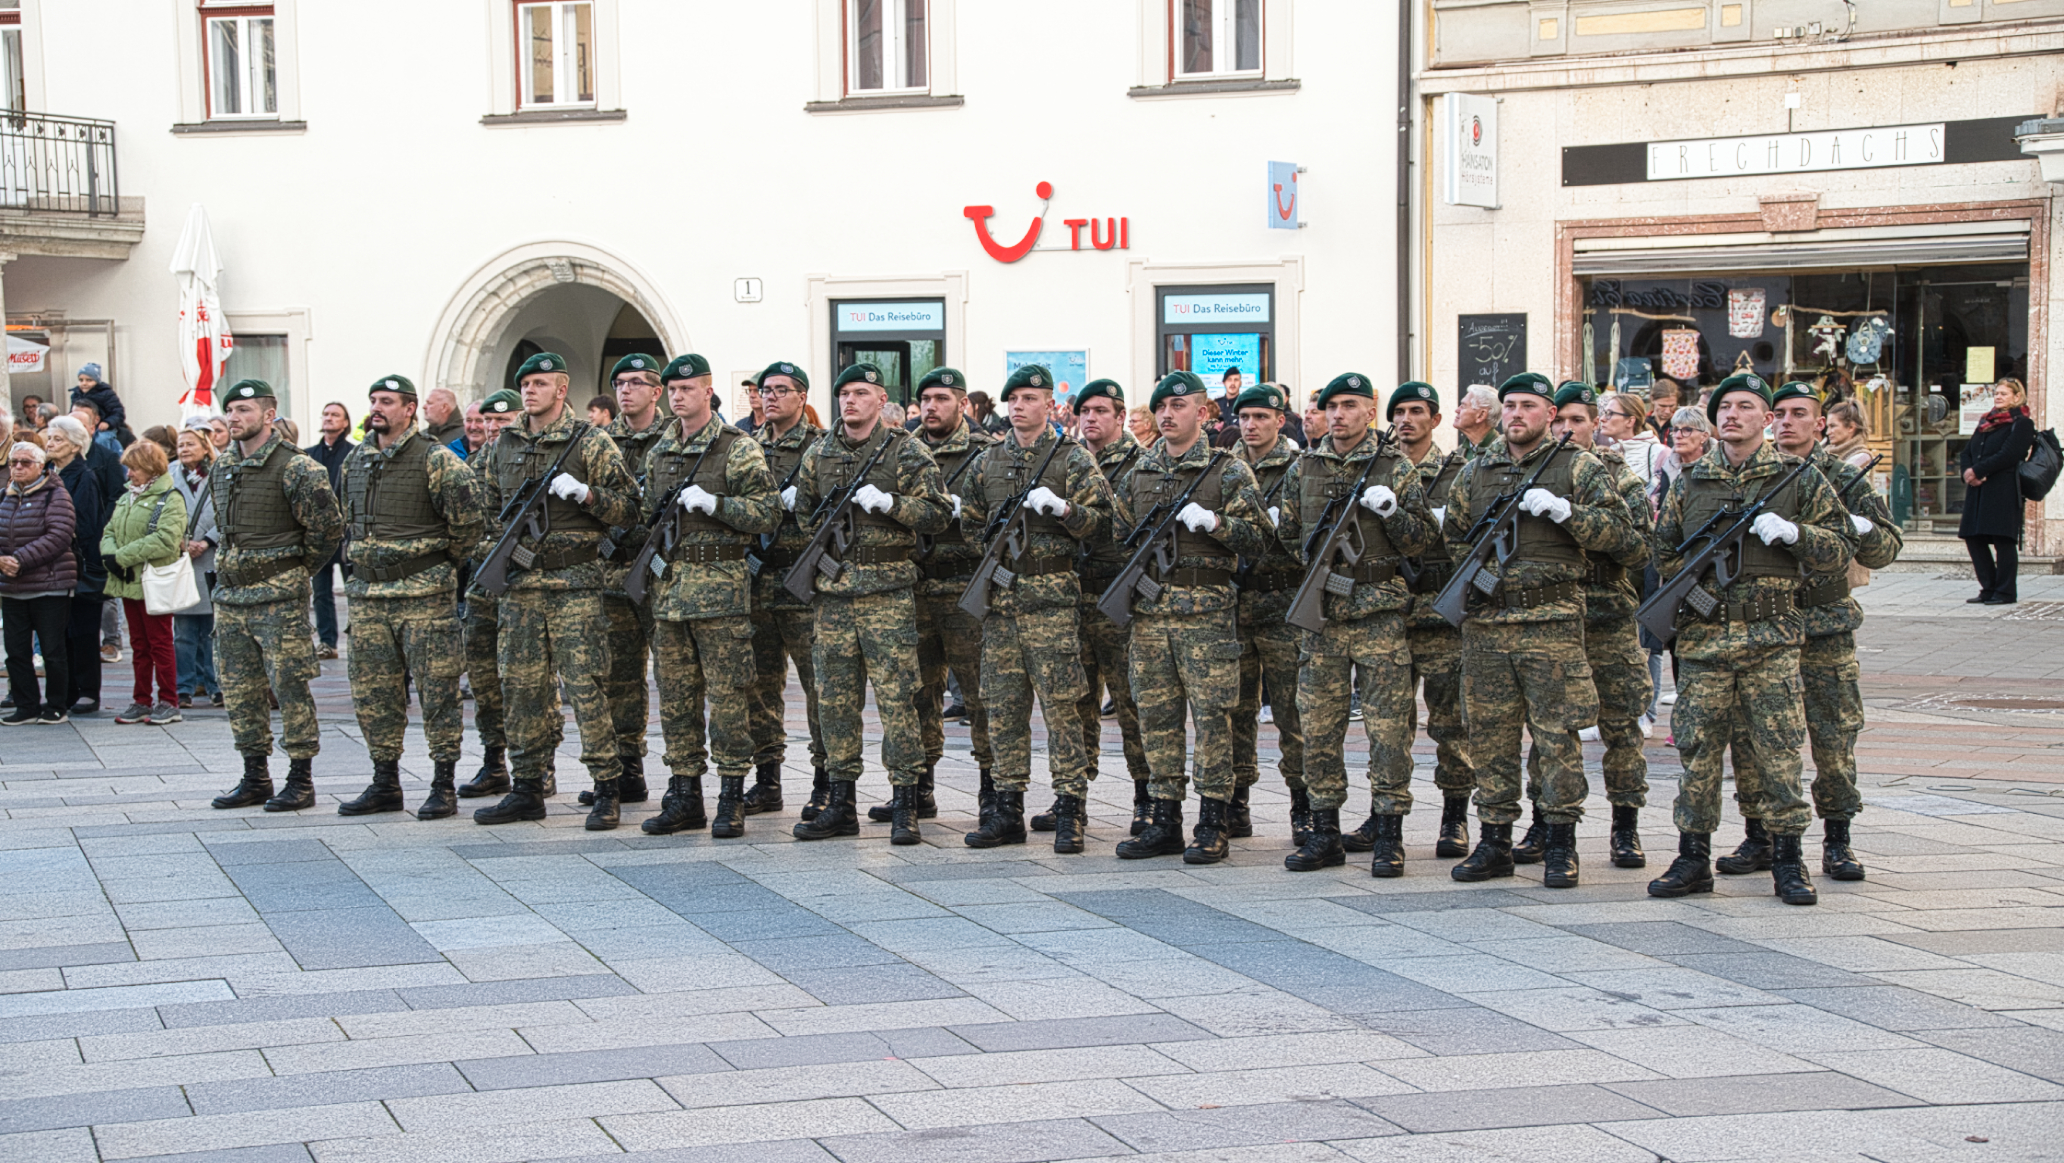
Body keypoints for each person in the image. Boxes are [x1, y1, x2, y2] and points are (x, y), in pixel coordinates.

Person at [1646, 373, 1854, 906]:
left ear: (1767, 418)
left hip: (1771, 640)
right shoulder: (1691, 481)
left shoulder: (1798, 478)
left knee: (1778, 752)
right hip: (1705, 643)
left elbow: (1840, 547)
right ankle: (1692, 856)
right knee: (1697, 751)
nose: (1732, 415)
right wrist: (1697, 590)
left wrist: (1797, 535)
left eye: (1745, 406)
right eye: (1724, 407)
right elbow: (1664, 553)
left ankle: (1788, 859)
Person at [1444, 373, 1641, 888]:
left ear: (1550, 415)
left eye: (1528, 406)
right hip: (1488, 625)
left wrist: (1568, 514)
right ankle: (1494, 840)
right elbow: (1454, 540)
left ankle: (1559, 842)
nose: (1516, 414)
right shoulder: (1476, 470)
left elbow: (1627, 539)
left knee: (1557, 738)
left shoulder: (1577, 467)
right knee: (1489, 737)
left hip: (1552, 624)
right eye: (1509, 405)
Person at [1718, 381, 1904, 884]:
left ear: (1819, 423)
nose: (1786, 422)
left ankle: (1838, 839)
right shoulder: (1753, 475)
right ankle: (1760, 834)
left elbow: (1887, 547)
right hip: (1764, 627)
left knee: (1833, 736)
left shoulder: (1841, 476)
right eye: (1778, 413)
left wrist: (1858, 527)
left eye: (1798, 413)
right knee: (1755, 737)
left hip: (1823, 627)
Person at [1276, 375, 1437, 874]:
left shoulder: (1394, 466)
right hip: (1322, 618)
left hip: (1378, 616)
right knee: (1318, 727)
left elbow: (1423, 540)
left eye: (1350, 405)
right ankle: (1324, 832)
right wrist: (1323, 567)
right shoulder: (1304, 467)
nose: (1339, 414)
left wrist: (1391, 512)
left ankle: (1388, 833)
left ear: (1371, 412)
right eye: (1332, 406)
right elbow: (1288, 536)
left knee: (1389, 730)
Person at [471, 353, 639, 828]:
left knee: (587, 687)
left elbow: (631, 508)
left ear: (561, 390)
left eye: (540, 383)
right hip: (520, 588)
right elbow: (487, 509)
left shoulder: (590, 441)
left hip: (575, 586)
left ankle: (607, 786)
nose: (529, 390)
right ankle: (527, 785)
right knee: (521, 688)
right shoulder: (502, 444)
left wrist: (588, 495)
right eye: (525, 383)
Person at [786, 362, 951, 842]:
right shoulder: (819, 452)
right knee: (835, 701)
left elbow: (939, 514)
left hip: (887, 595)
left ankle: (905, 802)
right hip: (834, 597)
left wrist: (892, 504)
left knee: (900, 700)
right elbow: (803, 514)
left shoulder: (905, 449)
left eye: (861, 393)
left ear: (881, 400)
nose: (851, 401)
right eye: (844, 394)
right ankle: (841, 804)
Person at [1108, 371, 1268, 863]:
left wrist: (1217, 523)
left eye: (1178, 406)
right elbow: (1119, 535)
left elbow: (1260, 538)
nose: (1167, 414)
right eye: (1160, 407)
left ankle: (1214, 820)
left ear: (1202, 412)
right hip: (1151, 614)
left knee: (1213, 718)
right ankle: (1164, 819)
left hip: (1206, 615)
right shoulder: (1139, 472)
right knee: (1156, 717)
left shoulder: (1228, 470)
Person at [961, 364, 1111, 852]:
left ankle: (1070, 807)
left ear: (1049, 404)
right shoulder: (987, 461)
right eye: (1013, 399)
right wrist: (995, 547)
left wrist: (1066, 511)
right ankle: (1006, 809)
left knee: (1063, 709)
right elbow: (970, 522)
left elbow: (1105, 525)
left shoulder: (1071, 459)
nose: (1019, 406)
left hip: (1052, 605)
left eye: (1029, 398)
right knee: (1003, 709)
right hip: (1001, 605)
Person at [1511, 382, 1655, 871]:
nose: (1567, 430)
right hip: (1550, 621)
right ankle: (1544, 820)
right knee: (1548, 728)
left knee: (1621, 725)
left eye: (1578, 421)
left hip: (1604, 617)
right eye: (1560, 421)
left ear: (1597, 424)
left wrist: (1572, 517)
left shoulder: (1618, 477)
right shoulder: (1529, 471)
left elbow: (1638, 547)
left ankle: (1625, 826)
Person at [636, 355, 779, 835]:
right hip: (669, 596)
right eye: (673, 390)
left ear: (707, 391)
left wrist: (717, 503)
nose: (678, 397)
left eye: (687, 389)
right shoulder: (659, 450)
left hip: (720, 595)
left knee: (729, 698)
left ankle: (732, 794)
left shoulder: (736, 448)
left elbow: (767, 513)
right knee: (676, 700)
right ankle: (684, 795)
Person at [333, 374, 485, 822]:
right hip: (368, 597)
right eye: (373, 400)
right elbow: (345, 518)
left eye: (387, 401)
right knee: (374, 692)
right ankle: (385, 782)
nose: (377, 408)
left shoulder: (436, 460)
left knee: (438, 691)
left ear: (409, 409)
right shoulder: (356, 460)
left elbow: (469, 524)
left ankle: (442, 783)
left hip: (423, 596)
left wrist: (436, 565)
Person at [204, 380, 345, 811]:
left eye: (244, 410)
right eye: (230, 410)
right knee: (239, 689)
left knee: (290, 687)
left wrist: (293, 571)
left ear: (269, 415)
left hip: (278, 599)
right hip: (231, 598)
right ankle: (255, 776)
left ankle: (300, 778)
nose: (234, 417)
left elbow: (327, 530)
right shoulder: (224, 466)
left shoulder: (298, 467)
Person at [887, 366, 995, 829]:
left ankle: (993, 790)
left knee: (979, 693)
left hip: (964, 587)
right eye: (926, 399)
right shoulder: (901, 450)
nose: (931, 407)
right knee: (917, 692)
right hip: (914, 586)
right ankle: (918, 788)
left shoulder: (985, 452)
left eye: (942, 399)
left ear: (963, 404)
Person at [580, 353, 674, 812]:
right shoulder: (598, 441)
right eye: (619, 382)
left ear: (656, 391)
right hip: (613, 571)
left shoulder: (674, 437)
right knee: (618, 675)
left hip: (659, 572)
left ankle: (682, 775)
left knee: (673, 675)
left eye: (636, 382)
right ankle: (626, 770)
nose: (625, 390)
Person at [1389, 382, 1474, 860]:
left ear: (1435, 420)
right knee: (1389, 725)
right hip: (1391, 616)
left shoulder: (1459, 472)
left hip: (1441, 614)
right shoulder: (1380, 470)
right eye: (1399, 412)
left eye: (1416, 411)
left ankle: (1455, 816)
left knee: (1451, 724)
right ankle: (1386, 814)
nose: (1406, 420)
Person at [1068, 380, 1154, 833]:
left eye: (1101, 411)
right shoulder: (1066, 461)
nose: (1091, 418)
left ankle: (1147, 797)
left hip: (1119, 599)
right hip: (1073, 597)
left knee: (1131, 702)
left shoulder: (1142, 465)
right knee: (1075, 702)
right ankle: (1074, 797)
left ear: (1121, 417)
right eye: (1084, 411)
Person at [744, 362, 828, 819]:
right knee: (759, 685)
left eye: (781, 390)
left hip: (802, 583)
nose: (771, 397)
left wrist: (808, 503)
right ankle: (767, 780)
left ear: (802, 397)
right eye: (766, 390)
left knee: (819, 687)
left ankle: (825, 781)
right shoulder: (745, 446)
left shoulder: (821, 448)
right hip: (756, 581)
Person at [1223, 383, 1306, 846]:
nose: (1251, 426)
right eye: (1244, 417)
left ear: (1280, 420)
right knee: (1235, 710)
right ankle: (1236, 802)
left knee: (1294, 711)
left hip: (1281, 604)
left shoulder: (1299, 467)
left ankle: (1303, 803)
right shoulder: (1222, 467)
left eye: (1261, 417)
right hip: (1234, 606)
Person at [456, 389, 531, 799]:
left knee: (526, 681)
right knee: (484, 679)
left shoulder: (528, 461)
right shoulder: (470, 467)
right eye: (487, 421)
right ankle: (494, 761)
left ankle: (537, 765)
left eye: (502, 421)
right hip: (482, 584)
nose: (491, 428)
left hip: (521, 584)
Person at [101, 440, 187, 726]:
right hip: (129, 581)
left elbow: (166, 539)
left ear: (151, 468)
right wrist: (111, 555)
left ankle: (169, 701)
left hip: (154, 581)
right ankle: (141, 700)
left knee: (160, 643)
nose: (129, 474)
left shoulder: (170, 497)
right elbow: (110, 530)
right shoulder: (128, 496)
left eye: (134, 468)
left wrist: (120, 556)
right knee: (138, 644)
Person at [0, 440, 77, 724]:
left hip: (49, 585)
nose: (18, 467)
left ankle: (56, 705)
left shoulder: (56, 495)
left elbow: (59, 536)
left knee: (52, 650)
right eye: (14, 462)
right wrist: (2, 561)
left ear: (41, 466)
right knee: (15, 651)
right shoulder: (4, 496)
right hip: (12, 588)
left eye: (25, 462)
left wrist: (19, 560)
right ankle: (26, 705)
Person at [43, 417, 106, 714]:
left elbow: (84, 523)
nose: (50, 443)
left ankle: (88, 691)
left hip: (79, 564)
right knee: (60, 633)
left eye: (57, 439)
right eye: (49, 438)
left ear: (75, 446)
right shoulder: (48, 473)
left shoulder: (84, 476)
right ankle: (65, 691)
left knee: (83, 631)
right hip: (53, 565)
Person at [1958, 378, 2033, 606]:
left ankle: (2005, 592)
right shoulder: (1986, 421)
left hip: (2002, 489)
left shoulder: (2022, 423)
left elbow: (2009, 454)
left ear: (2017, 397)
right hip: (1978, 489)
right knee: (1973, 537)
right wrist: (1968, 472)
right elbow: (1967, 452)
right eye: (1997, 393)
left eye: (2004, 394)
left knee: (2003, 540)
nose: (1998, 397)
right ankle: (1988, 588)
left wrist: (1978, 470)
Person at [169, 428, 221, 708]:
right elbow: (160, 512)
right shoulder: (169, 475)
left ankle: (216, 685)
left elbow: (228, 512)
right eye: (180, 444)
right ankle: (184, 687)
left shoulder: (219, 474)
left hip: (210, 558)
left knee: (213, 630)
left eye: (190, 444)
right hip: (182, 560)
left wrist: (208, 540)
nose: (185, 449)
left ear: (204, 447)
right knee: (184, 633)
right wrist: (179, 541)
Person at [304, 402, 356, 659]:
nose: (329, 418)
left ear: (345, 422)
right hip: (319, 534)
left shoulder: (354, 454)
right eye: (326, 414)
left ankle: (357, 636)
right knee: (321, 592)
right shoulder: (308, 455)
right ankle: (327, 642)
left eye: (335, 415)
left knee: (353, 588)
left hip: (346, 534)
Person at [1600, 392, 1668, 495]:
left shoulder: (1659, 453)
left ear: (1630, 421)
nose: (1602, 419)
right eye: (1604, 413)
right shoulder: (1607, 454)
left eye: (1610, 413)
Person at [71, 363, 129, 445]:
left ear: (97, 381)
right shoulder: (76, 395)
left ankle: (103, 452)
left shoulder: (106, 394)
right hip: (82, 426)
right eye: (81, 380)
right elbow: (72, 412)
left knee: (101, 439)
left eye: (89, 380)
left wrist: (108, 423)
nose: (84, 383)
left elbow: (118, 412)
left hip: (103, 428)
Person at [1452, 384, 1497, 457]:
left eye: (1463, 406)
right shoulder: (1457, 454)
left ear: (1481, 415)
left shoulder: (1504, 452)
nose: (1457, 410)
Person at [1825, 400, 1871, 468]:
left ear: (1851, 427)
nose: (1828, 432)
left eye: (1833, 426)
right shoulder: (1826, 452)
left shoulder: (1862, 457)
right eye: (1828, 427)